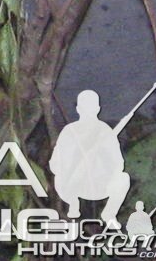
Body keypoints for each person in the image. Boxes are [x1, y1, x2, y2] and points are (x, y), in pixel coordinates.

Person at [50, 89, 132, 225]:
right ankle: (73, 204)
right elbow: (55, 164)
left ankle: (109, 214)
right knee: (60, 179)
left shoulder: (105, 131)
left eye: (90, 108)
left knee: (123, 179)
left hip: (100, 185)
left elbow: (119, 164)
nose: (88, 112)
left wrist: (102, 157)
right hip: (72, 187)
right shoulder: (70, 131)